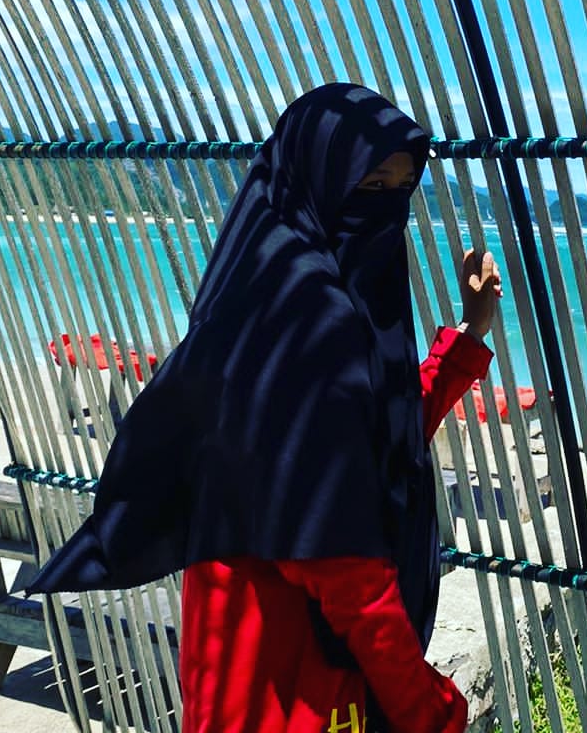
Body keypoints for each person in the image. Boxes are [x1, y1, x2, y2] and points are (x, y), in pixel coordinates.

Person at [27, 83, 503, 733]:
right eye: (370, 186)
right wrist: (431, 708)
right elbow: (341, 567)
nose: (387, 207)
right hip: (292, 682)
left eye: (402, 188)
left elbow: (361, 440)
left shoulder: (258, 288)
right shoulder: (313, 322)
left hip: (234, 656)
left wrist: (466, 340)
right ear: (320, 183)